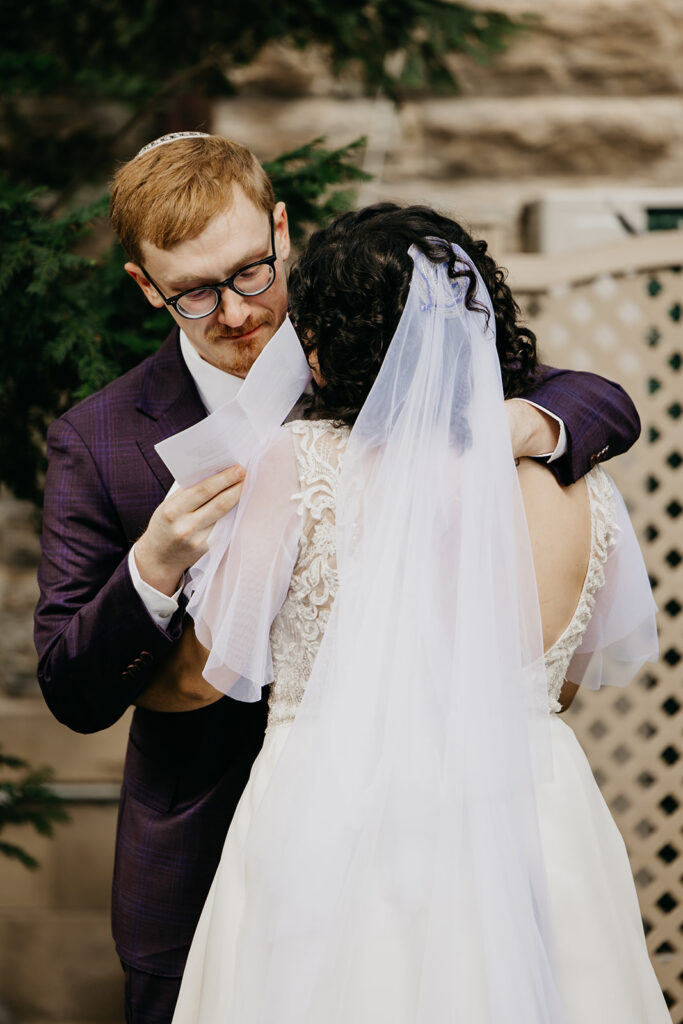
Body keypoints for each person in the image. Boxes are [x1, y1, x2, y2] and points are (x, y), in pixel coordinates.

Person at [34, 133, 643, 1023]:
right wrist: (152, 567)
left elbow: (599, 401)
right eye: (196, 294)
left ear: (281, 230)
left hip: (431, 848)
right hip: (207, 860)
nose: (237, 311)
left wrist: (519, 424)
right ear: (145, 286)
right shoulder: (97, 436)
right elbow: (71, 685)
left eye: (251, 272)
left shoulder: (374, 343)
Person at [171, 204, 669, 1024]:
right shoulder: (578, 476)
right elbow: (569, 679)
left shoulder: (293, 464)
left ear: (324, 349)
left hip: (331, 813)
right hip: (532, 812)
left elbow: (224, 658)